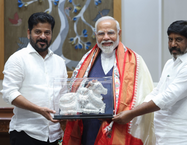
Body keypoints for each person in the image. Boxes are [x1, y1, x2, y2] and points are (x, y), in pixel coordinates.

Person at [113, 20, 187, 144]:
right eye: (170, 39)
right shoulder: (170, 63)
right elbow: (158, 91)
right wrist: (132, 109)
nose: (173, 44)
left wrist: (132, 113)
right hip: (167, 136)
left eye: (178, 40)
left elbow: (167, 98)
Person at [62, 16, 155, 145]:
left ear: (119, 33)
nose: (106, 37)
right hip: (89, 128)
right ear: (95, 35)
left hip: (120, 128)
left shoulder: (135, 61)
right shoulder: (86, 61)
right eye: (101, 33)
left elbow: (144, 96)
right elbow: (75, 93)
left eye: (110, 32)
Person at [1, 12, 68, 145]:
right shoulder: (17, 59)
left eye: (47, 32)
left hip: (55, 135)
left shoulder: (59, 62)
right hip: (26, 134)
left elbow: (63, 95)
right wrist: (39, 110)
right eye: (38, 32)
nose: (43, 36)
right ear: (29, 32)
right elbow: (10, 93)